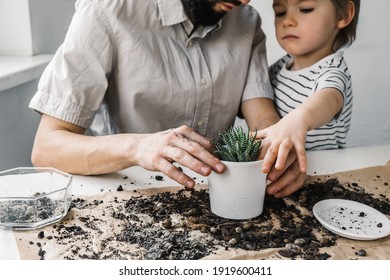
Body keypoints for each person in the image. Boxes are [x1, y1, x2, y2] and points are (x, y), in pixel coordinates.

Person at [29, 0, 306, 196]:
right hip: (126, 194)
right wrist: (138, 147)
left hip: (217, 194)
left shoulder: (246, 20)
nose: (245, 0)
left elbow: (262, 117)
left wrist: (277, 150)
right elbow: (46, 149)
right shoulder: (106, 10)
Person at [257, 0, 360, 194]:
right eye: (280, 12)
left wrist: (299, 118)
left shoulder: (333, 72)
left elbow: (329, 99)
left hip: (320, 179)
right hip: (279, 177)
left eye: (305, 9)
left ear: (344, 14)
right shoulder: (282, 66)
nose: (287, 21)